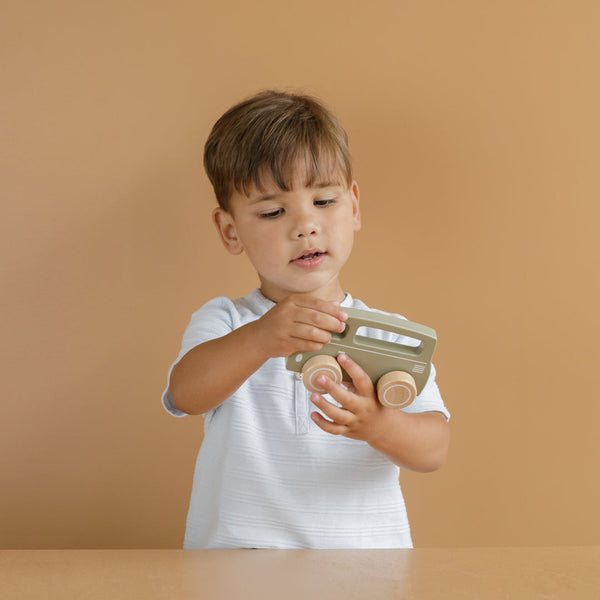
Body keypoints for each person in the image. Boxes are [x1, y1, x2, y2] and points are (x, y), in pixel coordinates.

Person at [161, 90, 450, 549]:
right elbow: (185, 393)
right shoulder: (228, 321)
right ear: (230, 230)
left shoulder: (385, 333)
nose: (305, 225)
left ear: (353, 207)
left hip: (366, 571)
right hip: (240, 567)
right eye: (274, 211)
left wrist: (378, 424)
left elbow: (434, 448)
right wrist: (260, 339)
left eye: (324, 202)